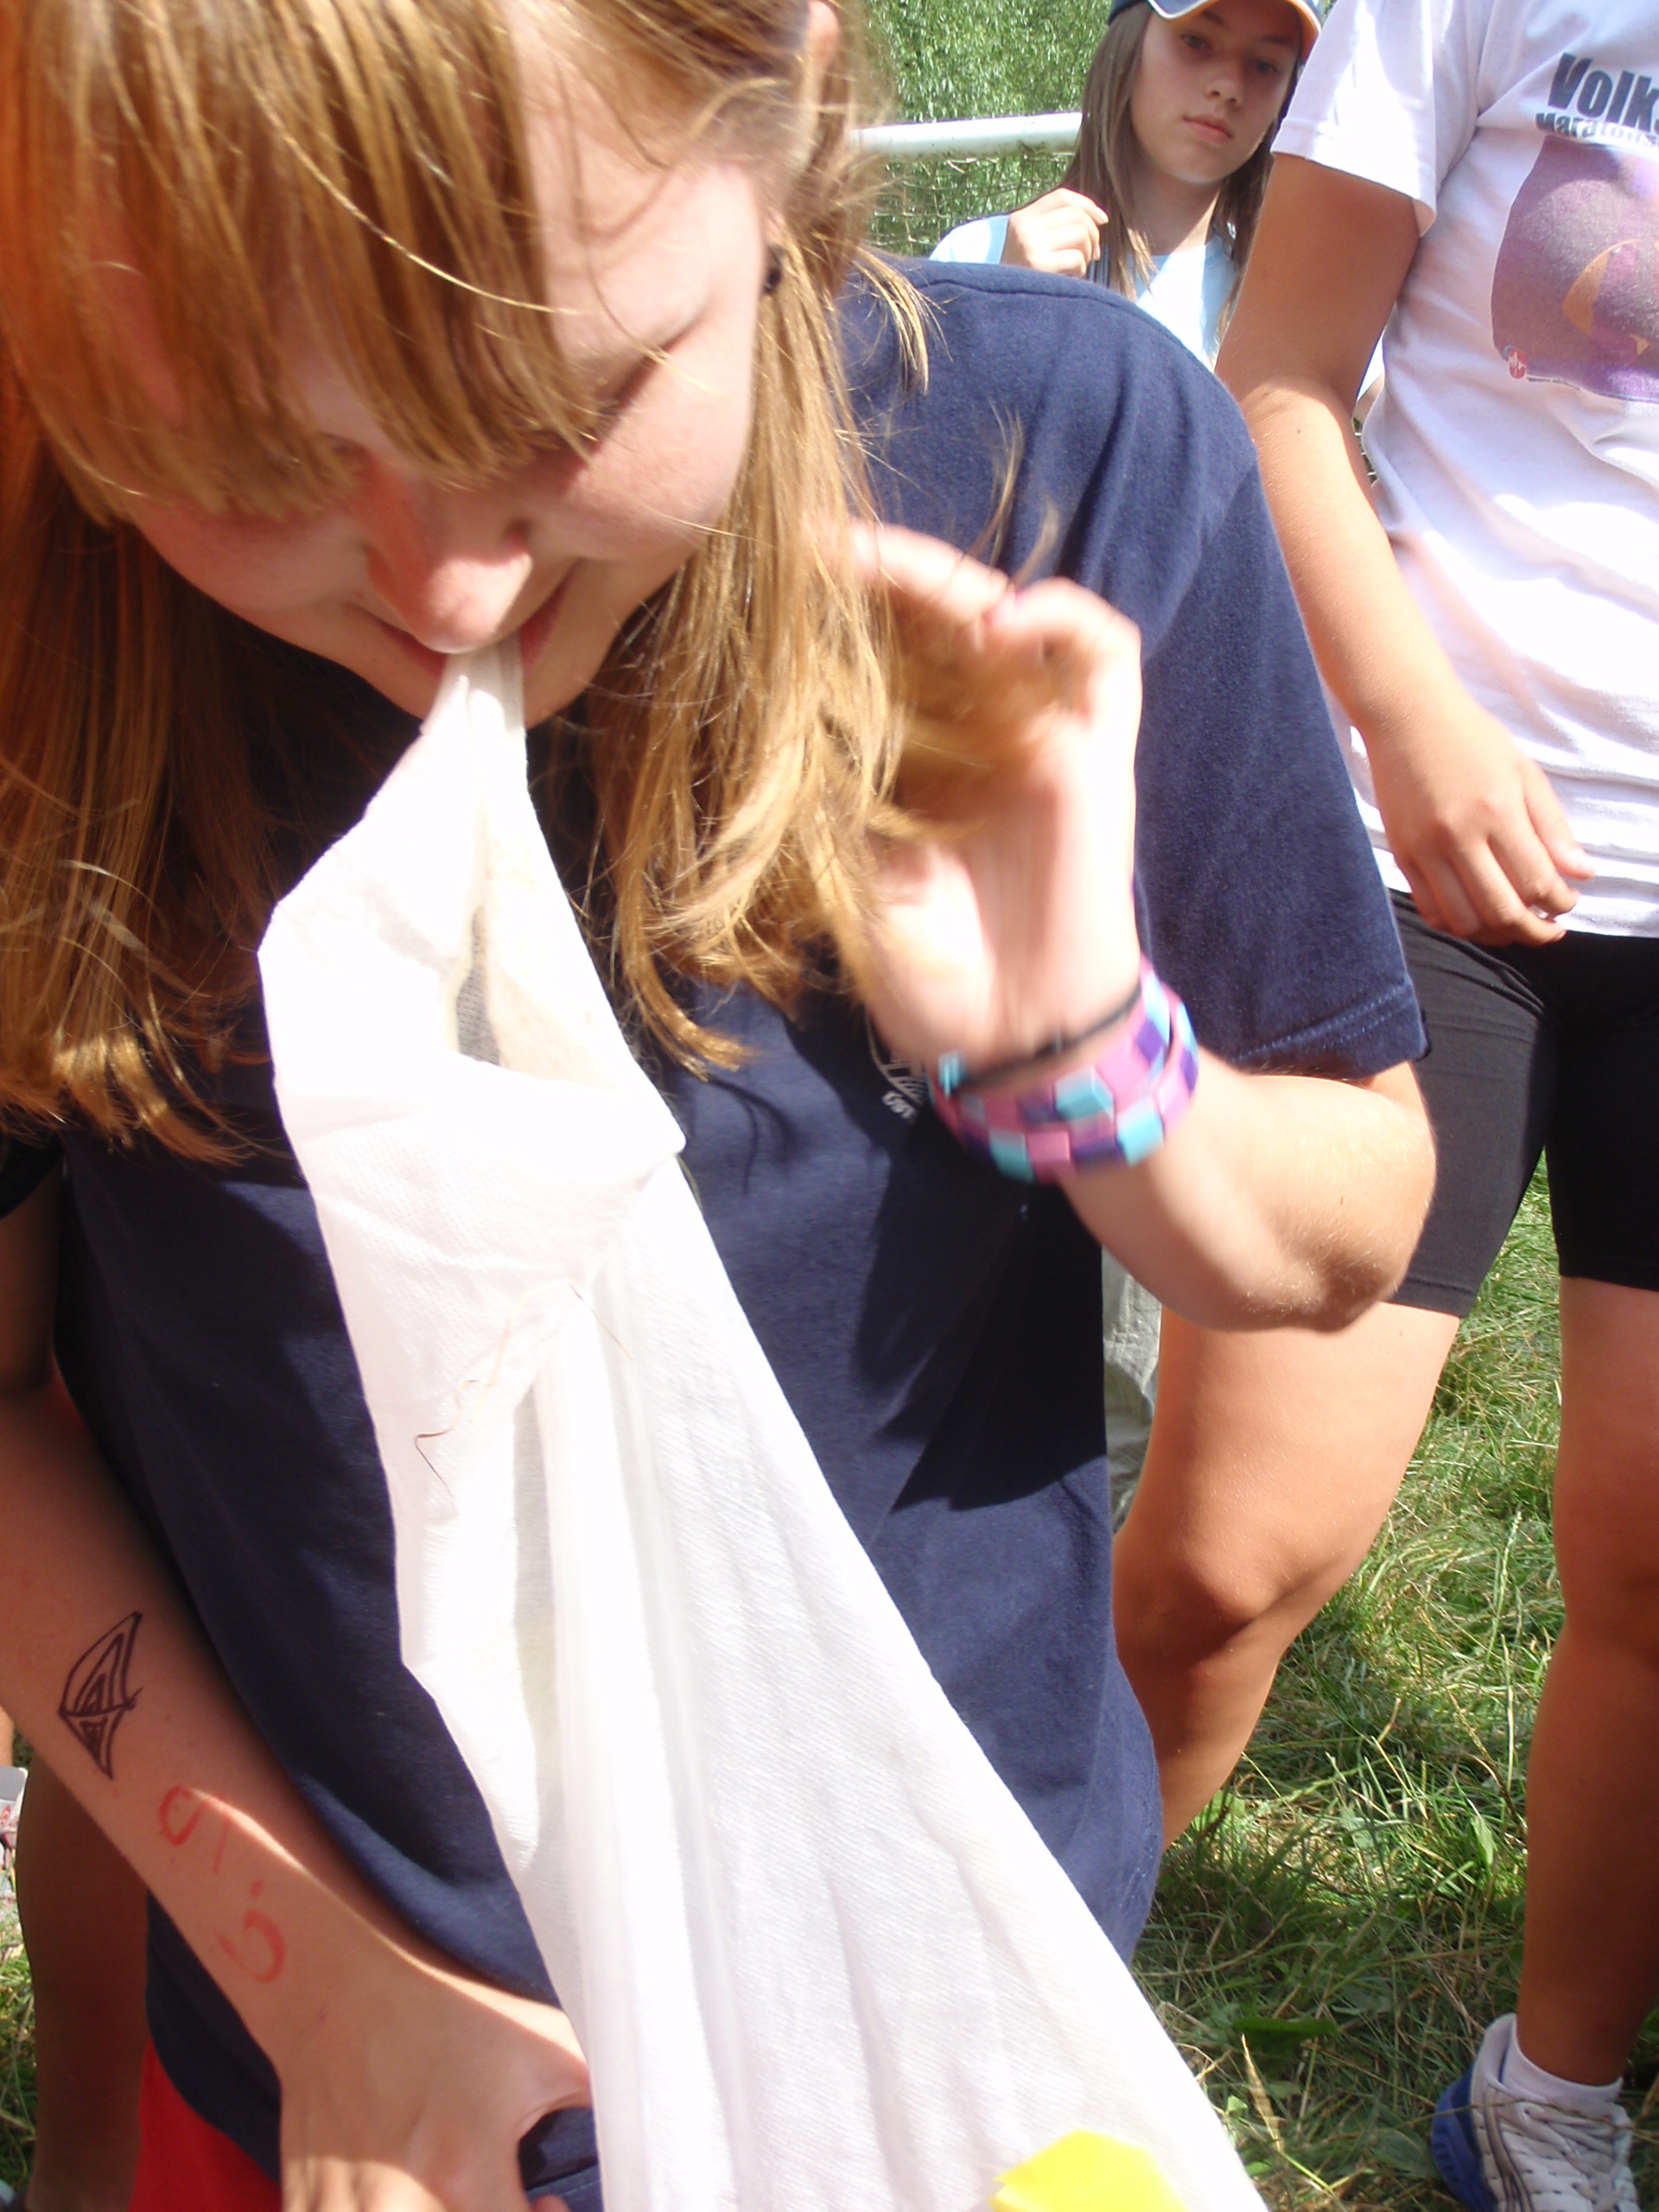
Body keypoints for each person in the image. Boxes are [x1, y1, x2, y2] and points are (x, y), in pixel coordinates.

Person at [0, 0, 1434, 2202]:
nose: (446, 585)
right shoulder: (51, 618)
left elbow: (1352, 1217)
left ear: (791, 111)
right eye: (248, 456)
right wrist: (323, 1983)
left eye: (563, 401)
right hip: (348, 2088)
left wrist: (1085, 1058)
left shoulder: (1052, 458)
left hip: (953, 2045)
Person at [1140, 0, 1658, 2206]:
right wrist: (1407, 718)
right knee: (1231, 1558)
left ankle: (1550, 2096)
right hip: (1414, 854)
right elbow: (1278, 375)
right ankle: (982, 2008)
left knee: (1657, 1556)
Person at [930, 0, 1318, 366]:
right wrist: (1000, 311)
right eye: (1196, 41)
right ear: (1128, 42)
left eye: (1264, 65)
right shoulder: (976, 258)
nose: (1230, 86)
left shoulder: (1292, 308)